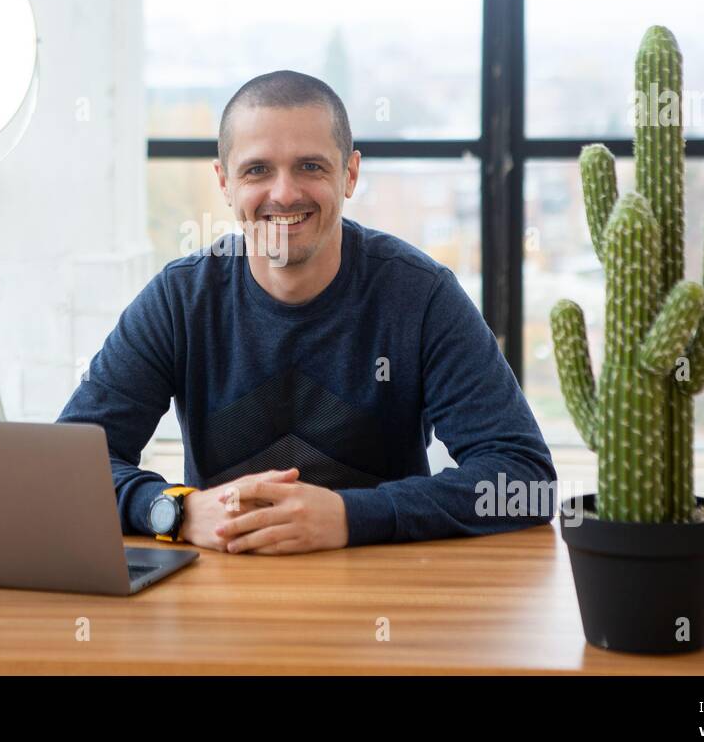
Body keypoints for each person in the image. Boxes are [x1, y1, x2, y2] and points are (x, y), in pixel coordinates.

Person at [57, 70, 557, 555]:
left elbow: (523, 477)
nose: (284, 193)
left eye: (310, 166)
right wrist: (177, 512)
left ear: (350, 174)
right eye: (257, 170)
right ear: (225, 183)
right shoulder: (180, 299)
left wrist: (348, 517)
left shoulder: (420, 295)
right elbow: (69, 464)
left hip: (385, 599)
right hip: (221, 595)